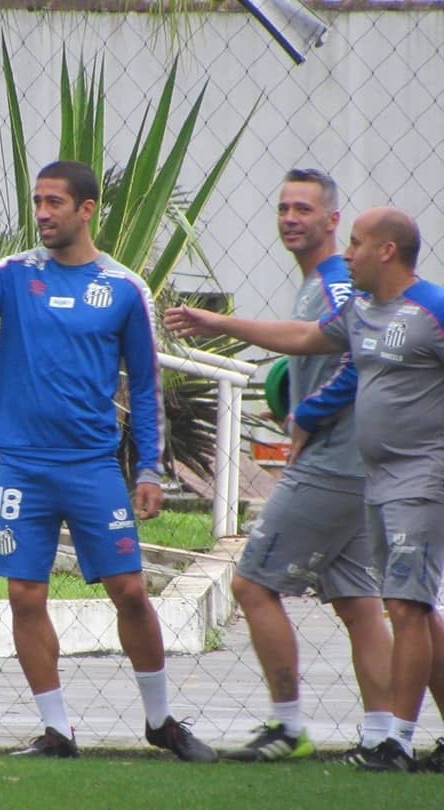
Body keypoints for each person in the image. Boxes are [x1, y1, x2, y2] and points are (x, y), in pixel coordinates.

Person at [0, 160, 216, 763]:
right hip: (23, 468)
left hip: (91, 467)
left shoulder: (122, 287)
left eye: (54, 202)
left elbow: (144, 384)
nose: (42, 214)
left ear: (86, 209)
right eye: (37, 201)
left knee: (131, 591)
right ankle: (57, 732)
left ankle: (160, 721)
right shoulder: (14, 275)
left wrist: (147, 469)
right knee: (25, 597)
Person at [165, 206, 444, 773]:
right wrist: (220, 325)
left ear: (387, 251)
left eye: (358, 243)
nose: (348, 252)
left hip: (423, 480)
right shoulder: (363, 310)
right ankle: (392, 738)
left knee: (408, 606)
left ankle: (394, 743)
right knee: (406, 607)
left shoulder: (432, 310)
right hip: (378, 480)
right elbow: (303, 336)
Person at [221, 170, 393, 764]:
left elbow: (359, 353)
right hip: (356, 467)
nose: (290, 218)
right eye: (283, 207)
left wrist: (307, 415)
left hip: (333, 465)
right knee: (357, 604)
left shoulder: (337, 282)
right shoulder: (318, 282)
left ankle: (287, 727)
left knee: (251, 584)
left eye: (304, 209)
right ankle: (382, 739)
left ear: (332, 221)